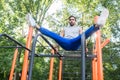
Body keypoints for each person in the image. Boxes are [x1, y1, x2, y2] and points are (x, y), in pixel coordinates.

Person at [26, 8, 109, 51]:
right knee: (54, 35)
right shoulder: (64, 28)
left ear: (75, 21)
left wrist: (85, 47)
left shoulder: (79, 27)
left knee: (83, 35)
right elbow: (60, 37)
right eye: (70, 19)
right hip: (65, 43)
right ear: (69, 21)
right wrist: (56, 46)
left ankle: (97, 25)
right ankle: (35, 25)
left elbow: (82, 37)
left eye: (73, 19)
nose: (71, 20)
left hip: (76, 43)